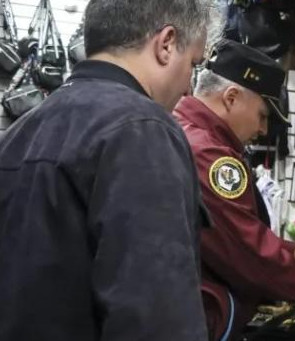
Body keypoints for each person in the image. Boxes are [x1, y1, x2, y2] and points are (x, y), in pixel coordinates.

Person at [0, 1, 217, 340]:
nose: (190, 87)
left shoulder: (19, 132)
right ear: (166, 44)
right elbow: (157, 318)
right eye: (193, 64)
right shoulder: (142, 131)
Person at [173, 40, 295, 341]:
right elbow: (243, 246)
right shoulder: (209, 154)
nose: (264, 130)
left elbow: (236, 230)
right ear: (231, 97)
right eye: (263, 115)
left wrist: (294, 252)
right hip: (199, 317)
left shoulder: (185, 133)